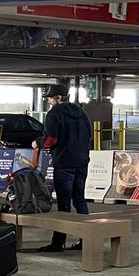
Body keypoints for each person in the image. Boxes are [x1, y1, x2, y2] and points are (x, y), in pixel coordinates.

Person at [35, 85, 93, 252]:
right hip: (82, 161)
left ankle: (58, 242)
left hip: (64, 163)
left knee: (64, 204)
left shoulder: (54, 114)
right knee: (80, 200)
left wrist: (38, 142)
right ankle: (86, 239)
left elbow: (51, 139)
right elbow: (89, 136)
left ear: (58, 98)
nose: (49, 102)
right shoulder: (82, 112)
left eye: (50, 98)